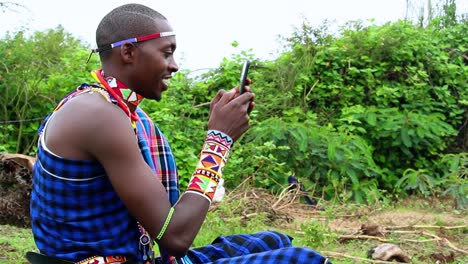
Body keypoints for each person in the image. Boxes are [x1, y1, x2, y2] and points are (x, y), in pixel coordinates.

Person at [28, 3, 330, 264]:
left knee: (274, 241)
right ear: (129, 52)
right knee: (303, 259)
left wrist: (220, 133)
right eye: (167, 53)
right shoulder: (97, 114)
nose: (174, 66)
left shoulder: (119, 112)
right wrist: (218, 142)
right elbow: (174, 236)